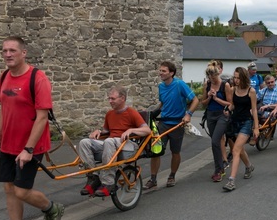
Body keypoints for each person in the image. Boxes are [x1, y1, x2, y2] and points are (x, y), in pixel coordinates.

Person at [0, 36, 64, 220]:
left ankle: (52, 208)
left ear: (23, 53)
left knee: (21, 191)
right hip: (9, 145)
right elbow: (4, 111)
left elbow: (42, 118)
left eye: (12, 50)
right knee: (9, 189)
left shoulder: (37, 79)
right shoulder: (4, 77)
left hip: (32, 145)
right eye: (4, 51)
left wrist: (28, 149)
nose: (7, 54)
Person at [78, 86, 151, 196]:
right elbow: (106, 132)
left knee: (109, 141)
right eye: (109, 99)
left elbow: (147, 130)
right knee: (84, 142)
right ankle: (93, 178)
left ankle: (108, 183)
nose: (110, 101)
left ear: (122, 98)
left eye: (112, 98)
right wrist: (98, 132)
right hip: (112, 144)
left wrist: (131, 130)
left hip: (128, 146)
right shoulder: (109, 114)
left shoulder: (131, 112)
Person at [145, 61, 199, 189]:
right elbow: (163, 103)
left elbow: (196, 100)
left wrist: (188, 114)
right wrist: (154, 112)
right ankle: (153, 179)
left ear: (171, 73)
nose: (160, 73)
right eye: (160, 71)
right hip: (163, 123)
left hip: (177, 124)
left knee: (175, 152)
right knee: (156, 151)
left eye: (163, 71)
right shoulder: (161, 86)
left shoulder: (179, 84)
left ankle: (172, 176)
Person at [222, 67, 259, 192]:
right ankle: (249, 166)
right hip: (234, 122)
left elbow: (254, 110)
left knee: (236, 150)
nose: (236, 80)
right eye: (235, 77)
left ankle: (231, 180)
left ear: (243, 78)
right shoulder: (233, 89)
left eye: (238, 78)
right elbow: (233, 105)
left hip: (246, 123)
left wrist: (256, 128)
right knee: (239, 149)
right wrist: (228, 110)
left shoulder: (251, 91)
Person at [200, 64, 233, 183]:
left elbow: (230, 103)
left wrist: (216, 98)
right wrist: (209, 97)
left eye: (213, 76)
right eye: (209, 76)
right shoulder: (207, 85)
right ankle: (220, 167)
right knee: (215, 143)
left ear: (217, 74)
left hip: (221, 115)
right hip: (210, 114)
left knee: (215, 141)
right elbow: (203, 103)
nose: (211, 79)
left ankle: (218, 170)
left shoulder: (226, 85)